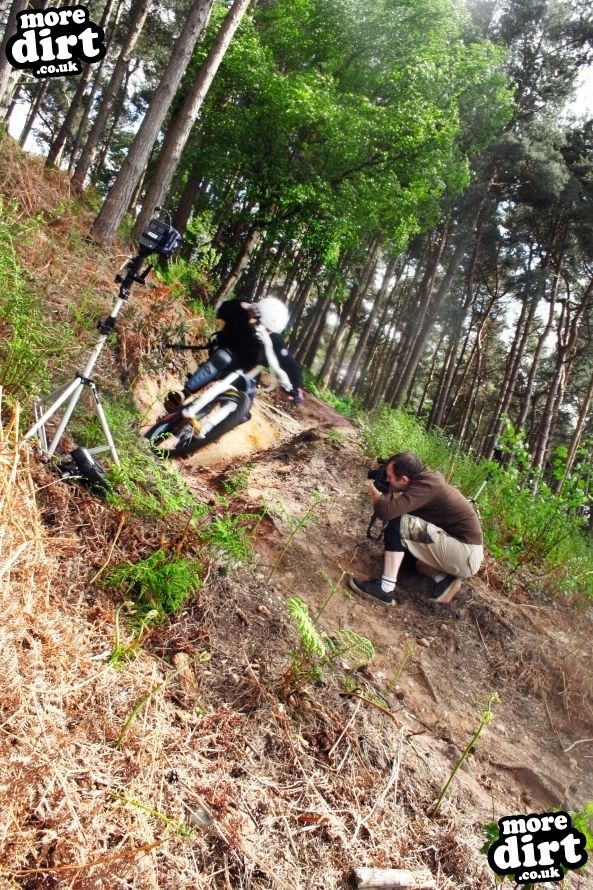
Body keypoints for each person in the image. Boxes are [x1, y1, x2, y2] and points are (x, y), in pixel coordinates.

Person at [349, 451, 483, 605]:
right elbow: (398, 508)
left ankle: (385, 589)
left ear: (404, 479)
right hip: (462, 552)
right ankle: (443, 579)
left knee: (398, 523)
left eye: (390, 477)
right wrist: (389, 492)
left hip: (464, 553)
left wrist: (376, 498)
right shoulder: (424, 482)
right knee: (405, 552)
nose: (387, 480)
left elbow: (387, 512)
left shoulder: (427, 486)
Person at [165, 297, 304, 410]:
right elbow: (222, 310)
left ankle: (213, 426)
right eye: (260, 321)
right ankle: (183, 394)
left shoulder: (274, 340)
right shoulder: (241, 311)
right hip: (225, 352)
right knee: (222, 359)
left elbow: (291, 365)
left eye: (268, 328)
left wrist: (296, 388)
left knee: (244, 405)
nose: (262, 329)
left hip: (247, 371)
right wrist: (245, 308)